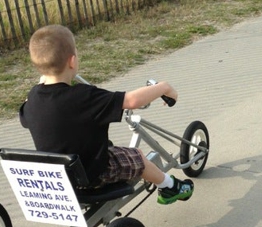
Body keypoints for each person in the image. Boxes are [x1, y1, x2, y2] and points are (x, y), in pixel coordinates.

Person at [19, 24, 193, 205]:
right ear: (72, 61)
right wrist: (163, 87)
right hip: (93, 174)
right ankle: (170, 186)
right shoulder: (84, 96)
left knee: (108, 148)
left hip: (58, 177)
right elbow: (131, 101)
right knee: (138, 156)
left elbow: (26, 115)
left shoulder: (33, 98)